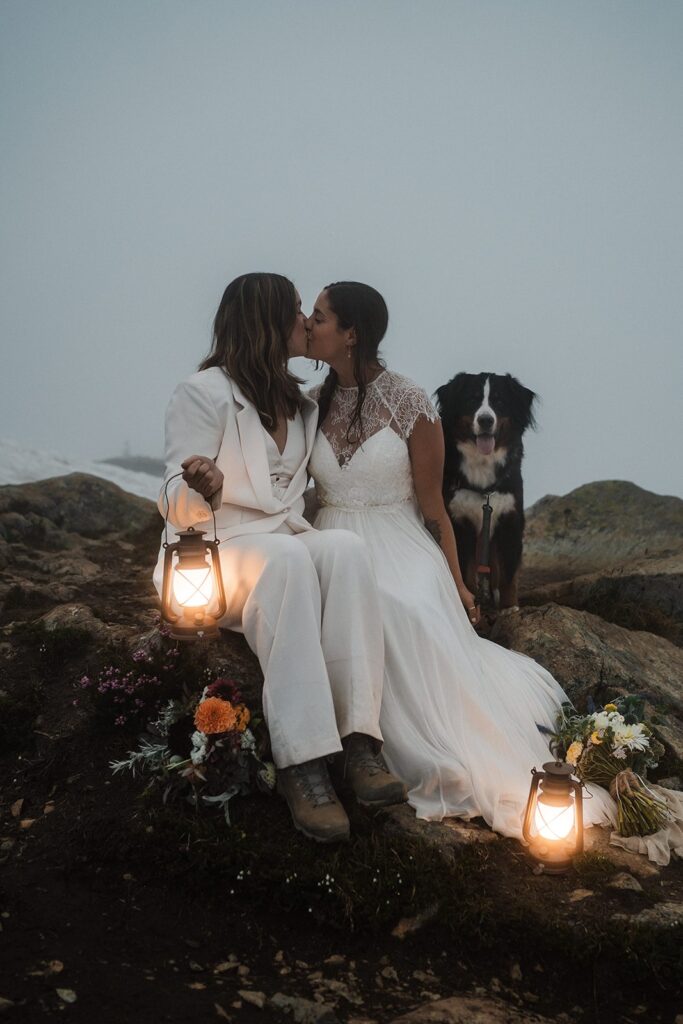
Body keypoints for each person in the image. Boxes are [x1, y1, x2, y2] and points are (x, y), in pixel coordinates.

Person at [304, 281, 618, 838]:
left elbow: (434, 510)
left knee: (401, 607)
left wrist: (458, 584)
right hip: (328, 541)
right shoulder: (312, 402)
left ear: (352, 334)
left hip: (398, 542)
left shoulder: (410, 403)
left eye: (320, 315)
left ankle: (390, 750)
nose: (309, 322)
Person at [153, 273, 406, 844]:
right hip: (220, 548)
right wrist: (203, 486)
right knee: (290, 562)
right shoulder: (203, 392)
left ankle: (360, 745)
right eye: (296, 312)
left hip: (283, 537)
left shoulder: (299, 401)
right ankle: (304, 764)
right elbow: (171, 497)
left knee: (344, 548)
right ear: (265, 322)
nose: (305, 323)